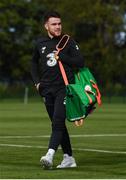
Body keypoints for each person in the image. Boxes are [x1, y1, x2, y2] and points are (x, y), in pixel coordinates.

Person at [31, 10, 84, 169]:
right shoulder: (40, 43)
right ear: (46, 25)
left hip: (65, 89)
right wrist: (37, 83)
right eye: (54, 24)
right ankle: (68, 158)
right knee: (57, 123)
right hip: (47, 90)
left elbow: (80, 62)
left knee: (58, 122)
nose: (58, 27)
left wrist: (63, 57)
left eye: (59, 23)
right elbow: (33, 63)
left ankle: (50, 154)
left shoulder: (68, 41)